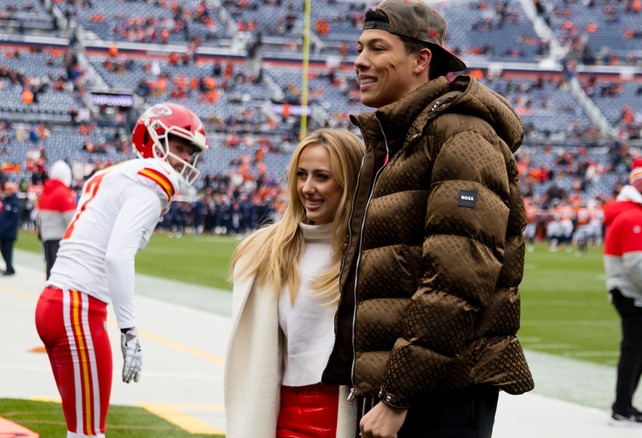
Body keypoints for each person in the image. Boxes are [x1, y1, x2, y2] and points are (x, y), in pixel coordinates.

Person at [321, 1, 534, 436]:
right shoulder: (403, 137)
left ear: (421, 60)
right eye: (360, 48)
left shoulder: (462, 135)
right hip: (405, 384)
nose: (360, 60)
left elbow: (458, 278)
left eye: (378, 48)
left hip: (435, 395)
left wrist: (399, 395)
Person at [34, 102, 208, 438]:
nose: (186, 158)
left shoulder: (112, 173)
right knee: (88, 433)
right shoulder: (155, 177)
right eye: (181, 146)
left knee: (80, 429)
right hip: (78, 308)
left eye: (190, 151)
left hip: (56, 302)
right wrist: (129, 331)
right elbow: (117, 255)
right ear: (154, 137)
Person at [224, 128, 365, 437]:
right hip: (283, 412)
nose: (307, 188)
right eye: (301, 175)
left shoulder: (370, 253)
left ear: (351, 181)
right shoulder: (265, 250)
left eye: (322, 177)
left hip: (349, 414)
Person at [602, 160, 642, 426]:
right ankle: (621, 407)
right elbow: (635, 263)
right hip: (632, 293)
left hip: (628, 291)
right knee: (635, 348)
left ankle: (625, 404)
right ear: (641, 190)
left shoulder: (630, 214)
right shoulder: (634, 217)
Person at [36, 160, 77, 279]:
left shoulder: (45, 191)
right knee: (61, 273)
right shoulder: (62, 192)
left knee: (50, 270)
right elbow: (71, 219)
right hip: (60, 238)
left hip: (47, 236)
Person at [0, 181, 22, 276]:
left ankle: (9, 268)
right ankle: (9, 267)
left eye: (8, 189)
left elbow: (13, 220)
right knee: (3, 250)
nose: (6, 191)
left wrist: (5, 229)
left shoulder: (15, 203)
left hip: (9, 232)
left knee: (8, 251)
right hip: (3, 232)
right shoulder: (5, 201)